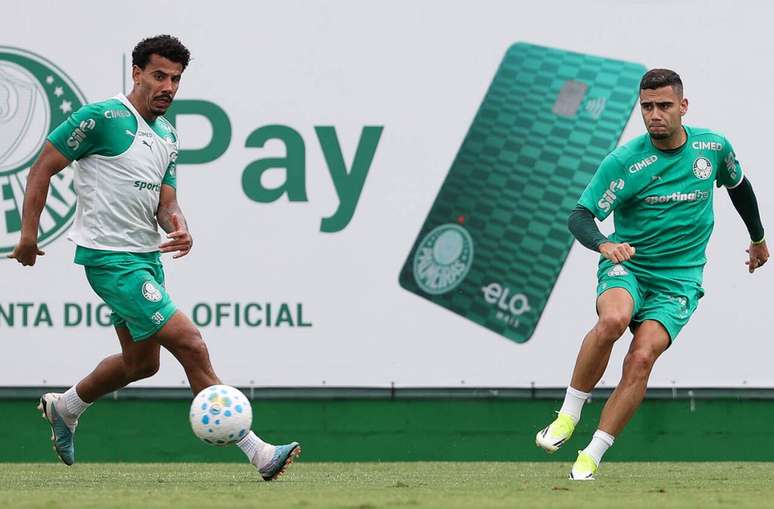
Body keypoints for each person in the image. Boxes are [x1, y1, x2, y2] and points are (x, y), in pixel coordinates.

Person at [8, 35, 300, 481]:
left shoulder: (167, 135)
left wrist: (179, 226)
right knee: (191, 342)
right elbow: (42, 166)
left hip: (145, 259)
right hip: (110, 261)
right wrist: (29, 235)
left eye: (176, 79)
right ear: (137, 73)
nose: (168, 86)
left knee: (142, 364)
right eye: (160, 75)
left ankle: (65, 407)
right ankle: (258, 452)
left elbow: (166, 204)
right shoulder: (103, 118)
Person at [535, 69, 768, 480]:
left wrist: (758, 239)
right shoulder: (625, 161)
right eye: (647, 107)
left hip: (678, 280)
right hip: (629, 265)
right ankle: (569, 414)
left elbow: (739, 185)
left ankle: (591, 456)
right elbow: (580, 215)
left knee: (641, 358)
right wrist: (605, 244)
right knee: (613, 319)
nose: (654, 114)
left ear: (683, 106)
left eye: (663, 105)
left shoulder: (712, 147)